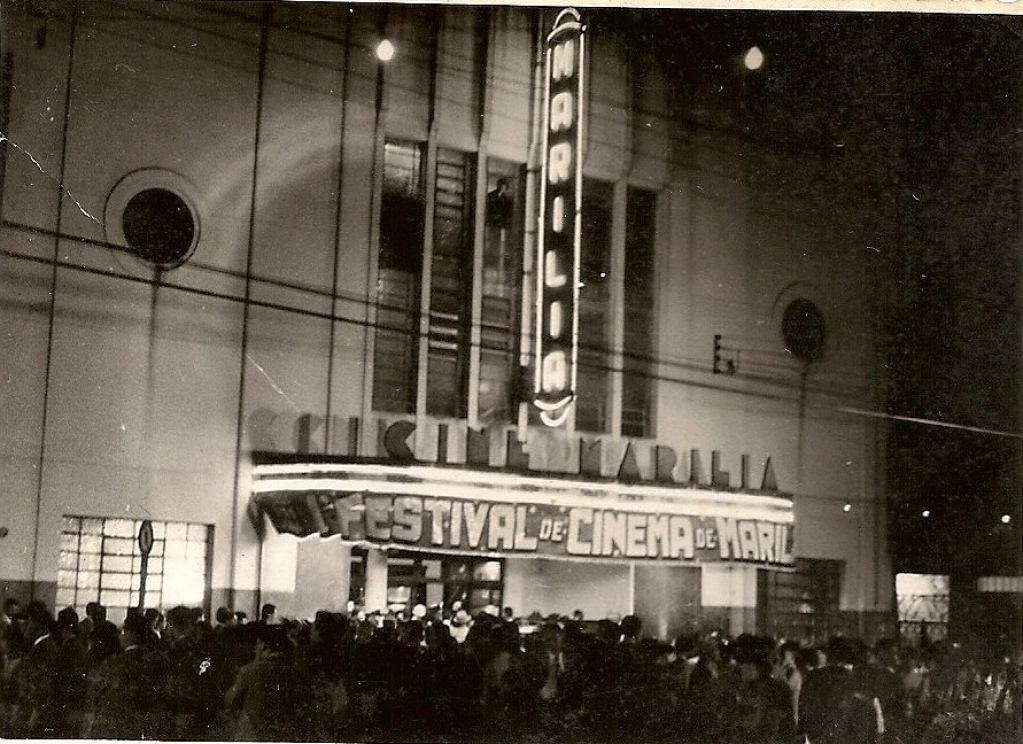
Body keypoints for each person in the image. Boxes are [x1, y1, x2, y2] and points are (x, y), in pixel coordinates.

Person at [224, 625, 310, 741]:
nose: (255, 648)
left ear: (264, 646)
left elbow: (231, 700)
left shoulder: (250, 671)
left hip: (253, 734)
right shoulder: (297, 671)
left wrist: (254, 662)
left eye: (258, 644)